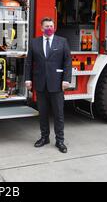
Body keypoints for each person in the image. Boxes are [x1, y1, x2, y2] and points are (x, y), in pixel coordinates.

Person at [25, 17, 72, 153]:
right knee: (43, 113)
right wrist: (28, 79)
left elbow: (67, 62)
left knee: (58, 114)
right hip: (40, 84)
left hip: (57, 84)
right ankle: (44, 137)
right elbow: (29, 63)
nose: (49, 28)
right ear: (41, 28)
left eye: (51, 26)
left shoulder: (62, 42)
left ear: (54, 28)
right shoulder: (34, 43)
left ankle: (60, 141)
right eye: (46, 26)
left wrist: (66, 79)